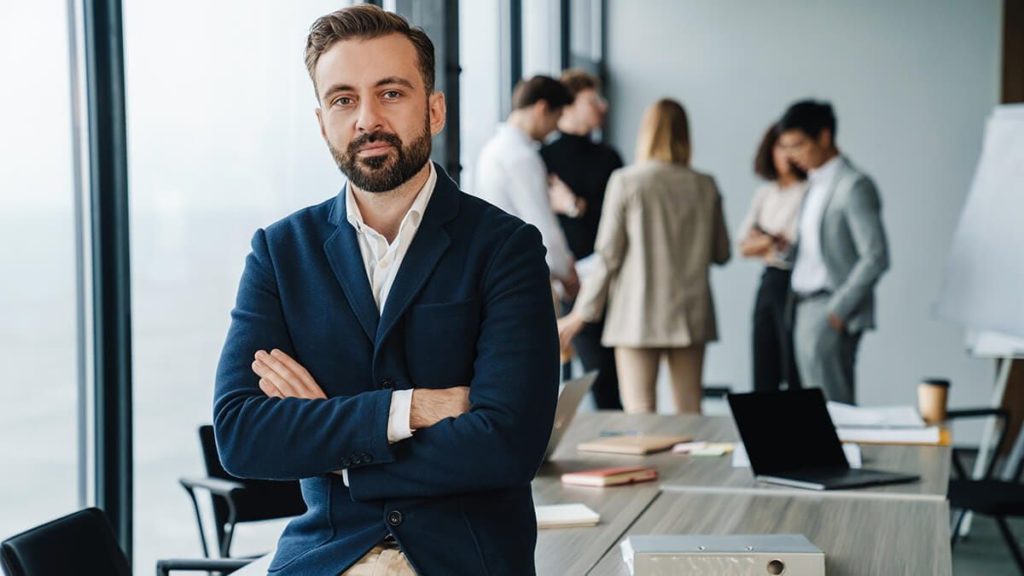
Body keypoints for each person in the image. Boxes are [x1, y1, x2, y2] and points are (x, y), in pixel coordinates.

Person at [212, 6, 559, 574]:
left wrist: (338, 450)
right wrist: (412, 409)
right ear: (322, 120)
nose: (366, 119)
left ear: (435, 109)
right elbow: (242, 434)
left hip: (465, 560)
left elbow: (509, 444)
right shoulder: (280, 252)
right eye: (344, 99)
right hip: (323, 559)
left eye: (391, 93)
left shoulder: (506, 248)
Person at [558, 99, 730, 414]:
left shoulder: (627, 181)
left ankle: (652, 468)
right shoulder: (705, 185)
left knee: (640, 411)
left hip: (637, 313)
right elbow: (722, 253)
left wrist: (580, 315)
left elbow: (608, 256)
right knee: (689, 412)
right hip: (691, 314)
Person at [777, 99, 889, 405]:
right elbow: (814, 248)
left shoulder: (853, 186)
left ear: (824, 137)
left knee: (835, 410)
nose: (792, 156)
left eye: (798, 145)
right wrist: (786, 248)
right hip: (801, 305)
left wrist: (838, 309)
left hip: (829, 306)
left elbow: (876, 255)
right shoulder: (813, 186)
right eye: (786, 148)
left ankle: (840, 455)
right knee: (814, 408)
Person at [540, 69, 624, 410]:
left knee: (605, 372)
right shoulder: (542, 158)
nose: (602, 107)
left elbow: (616, 220)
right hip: (562, 277)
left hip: (603, 274)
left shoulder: (609, 157)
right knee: (562, 369)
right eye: (593, 100)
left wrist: (575, 206)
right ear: (569, 106)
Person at [474, 75, 579, 299]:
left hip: (495, 274)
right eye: (557, 117)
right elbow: (541, 225)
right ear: (542, 109)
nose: (555, 129)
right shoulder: (522, 156)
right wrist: (568, 274)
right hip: (526, 278)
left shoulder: (491, 150)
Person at [737, 126, 807, 393]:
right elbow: (744, 246)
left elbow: (792, 244)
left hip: (795, 280)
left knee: (792, 363)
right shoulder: (765, 193)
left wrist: (763, 238)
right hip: (770, 279)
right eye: (780, 147)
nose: (787, 155)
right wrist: (770, 240)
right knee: (763, 358)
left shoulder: (807, 190)